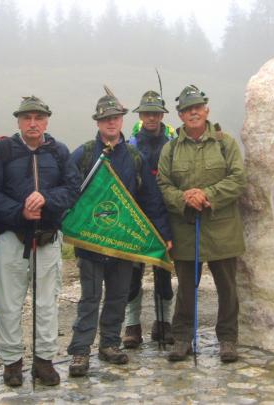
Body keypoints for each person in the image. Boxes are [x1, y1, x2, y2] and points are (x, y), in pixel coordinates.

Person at [67, 87, 172, 377]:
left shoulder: (134, 157)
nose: (111, 123)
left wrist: (163, 234)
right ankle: (79, 352)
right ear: (98, 123)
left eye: (115, 118)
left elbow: (150, 200)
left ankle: (110, 344)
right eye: (106, 119)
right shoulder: (86, 154)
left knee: (117, 295)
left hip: (123, 241)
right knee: (90, 298)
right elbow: (68, 190)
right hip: (91, 241)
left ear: (122, 121)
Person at [0, 96, 80, 387]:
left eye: (38, 117)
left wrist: (47, 199)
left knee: (47, 302)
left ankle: (44, 361)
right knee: (9, 303)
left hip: (47, 239)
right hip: (10, 237)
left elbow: (72, 189)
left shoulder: (59, 152)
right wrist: (18, 211)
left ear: (47, 120)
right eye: (26, 118)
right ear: (19, 121)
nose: (32, 123)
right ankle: (12, 363)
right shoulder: (2, 151)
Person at [157, 85, 247, 363]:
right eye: (186, 109)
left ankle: (228, 340)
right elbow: (163, 183)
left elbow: (238, 178)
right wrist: (184, 197)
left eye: (197, 107)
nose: (193, 112)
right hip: (185, 228)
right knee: (185, 288)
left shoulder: (225, 143)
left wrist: (207, 194)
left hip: (222, 229)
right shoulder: (170, 149)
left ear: (206, 110)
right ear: (180, 115)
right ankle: (182, 338)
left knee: (227, 289)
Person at [122, 90, 176, 349]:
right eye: (147, 113)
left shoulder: (172, 145)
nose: (152, 117)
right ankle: (132, 325)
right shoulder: (131, 146)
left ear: (162, 115)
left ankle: (164, 322)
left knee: (164, 271)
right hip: (137, 218)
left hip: (167, 216)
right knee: (133, 274)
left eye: (156, 112)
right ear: (140, 116)